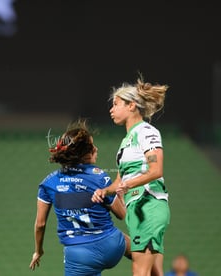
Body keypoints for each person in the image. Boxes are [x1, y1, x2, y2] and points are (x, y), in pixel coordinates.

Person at [29, 120, 131, 276]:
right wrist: (121, 197)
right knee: (142, 253)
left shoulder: (48, 183)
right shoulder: (98, 176)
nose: (96, 149)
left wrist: (38, 250)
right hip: (111, 245)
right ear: (83, 155)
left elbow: (40, 225)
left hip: (79, 257)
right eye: (92, 147)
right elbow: (122, 215)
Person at [92, 76, 170, 276]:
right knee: (153, 272)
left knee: (139, 270)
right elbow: (120, 181)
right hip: (136, 208)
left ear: (132, 105)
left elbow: (156, 170)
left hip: (148, 204)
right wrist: (103, 190)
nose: (111, 109)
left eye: (116, 104)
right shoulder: (127, 141)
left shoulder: (146, 131)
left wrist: (129, 185)